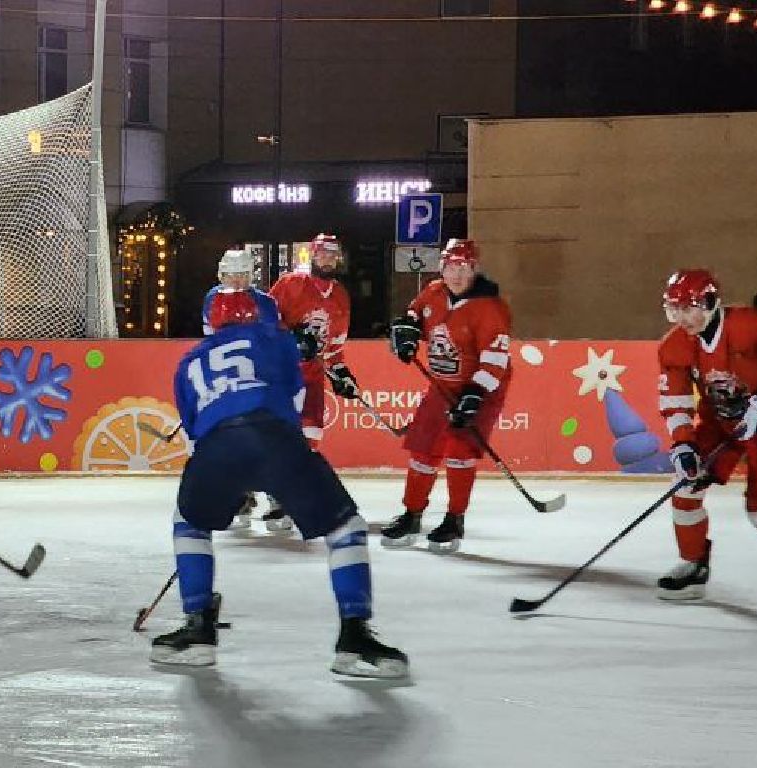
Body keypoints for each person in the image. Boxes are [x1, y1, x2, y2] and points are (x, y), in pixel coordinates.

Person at [150, 289, 408, 678]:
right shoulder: (275, 339)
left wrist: (228, 488)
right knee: (345, 528)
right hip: (274, 439)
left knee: (189, 521)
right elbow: (294, 403)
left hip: (215, 450)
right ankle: (355, 635)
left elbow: (195, 438)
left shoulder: (188, 363)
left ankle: (198, 626)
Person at [654, 269, 757, 601]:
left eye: (688, 307)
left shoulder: (751, 324)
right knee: (686, 485)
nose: (681, 317)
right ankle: (693, 566)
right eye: (673, 308)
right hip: (720, 427)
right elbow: (675, 401)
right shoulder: (674, 346)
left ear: (709, 301)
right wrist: (683, 443)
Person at [379, 237, 513, 553]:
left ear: (475, 270)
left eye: (465, 268)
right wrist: (406, 333)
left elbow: (495, 358)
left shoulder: (490, 309)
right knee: (424, 451)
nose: (457, 275)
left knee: (459, 451)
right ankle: (412, 514)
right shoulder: (434, 292)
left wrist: (474, 395)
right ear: (442, 268)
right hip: (441, 386)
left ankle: (454, 519)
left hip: (481, 388)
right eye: (452, 267)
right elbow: (413, 316)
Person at [257, 232, 358, 533]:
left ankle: (294, 494)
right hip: (280, 375)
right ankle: (275, 496)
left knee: (310, 437)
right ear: (312, 255)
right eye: (322, 253)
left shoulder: (340, 295)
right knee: (277, 437)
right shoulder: (290, 285)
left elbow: (335, 348)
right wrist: (291, 337)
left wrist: (342, 374)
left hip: (313, 377)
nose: (327, 259)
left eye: (333, 254)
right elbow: (265, 323)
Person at [200, 247, 282, 532]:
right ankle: (242, 496)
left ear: (251, 275)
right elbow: (210, 343)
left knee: (266, 440)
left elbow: (272, 342)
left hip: (259, 382)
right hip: (229, 384)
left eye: (242, 275)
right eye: (231, 275)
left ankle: (278, 497)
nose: (236, 281)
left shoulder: (265, 303)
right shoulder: (212, 298)